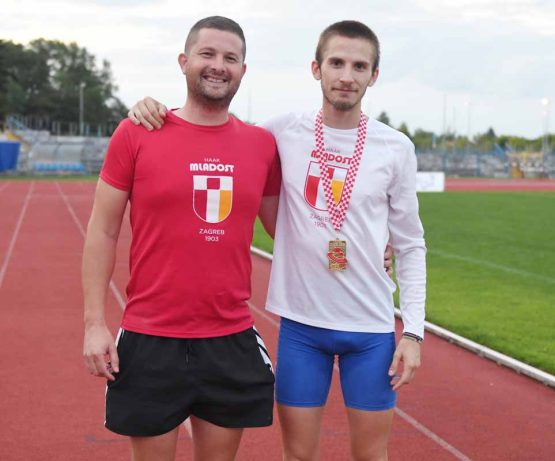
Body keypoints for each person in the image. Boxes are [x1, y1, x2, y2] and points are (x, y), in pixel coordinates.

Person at [128, 20, 424, 461]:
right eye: (336, 63)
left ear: (373, 75)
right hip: (302, 327)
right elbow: (215, 127)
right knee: (298, 456)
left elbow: (411, 244)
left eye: (359, 66)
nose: (346, 75)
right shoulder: (280, 132)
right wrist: (153, 109)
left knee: (370, 456)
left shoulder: (396, 147)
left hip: (371, 328)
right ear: (316, 69)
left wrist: (414, 332)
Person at [82, 16, 281, 461]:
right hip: (150, 336)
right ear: (183, 61)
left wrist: (367, 249)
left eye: (230, 58)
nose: (218, 65)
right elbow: (103, 229)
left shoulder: (261, 145)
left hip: (229, 336)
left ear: (243, 70)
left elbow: (288, 229)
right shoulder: (138, 132)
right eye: (207, 54)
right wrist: (94, 324)